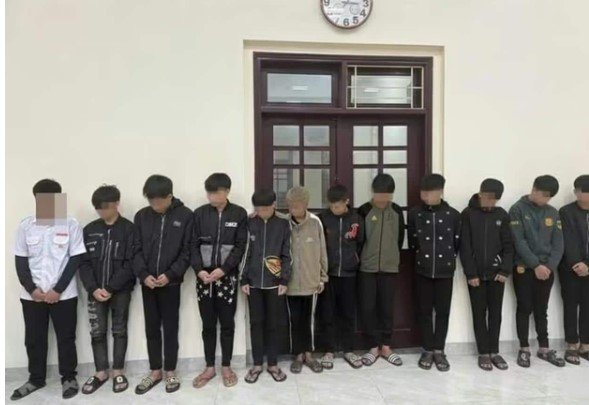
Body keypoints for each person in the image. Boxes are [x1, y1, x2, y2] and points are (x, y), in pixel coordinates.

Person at [11, 179, 86, 400]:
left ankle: (68, 378)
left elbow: (75, 259)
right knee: (34, 339)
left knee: (66, 338)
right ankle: (36, 379)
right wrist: (32, 289)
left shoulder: (70, 224)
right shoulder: (25, 226)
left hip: (64, 295)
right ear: (36, 200)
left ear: (58, 199)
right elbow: (20, 261)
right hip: (32, 296)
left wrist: (58, 290)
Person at [133, 175, 193, 394]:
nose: (154, 205)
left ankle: (170, 371)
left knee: (170, 327)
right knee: (151, 328)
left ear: (169, 196)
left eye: (158, 200)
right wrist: (143, 275)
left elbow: (187, 251)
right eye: (151, 200)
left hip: (171, 283)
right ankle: (155, 371)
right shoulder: (141, 216)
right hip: (148, 283)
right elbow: (135, 249)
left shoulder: (185, 215)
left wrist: (170, 274)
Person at [191, 173, 247, 388]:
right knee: (207, 325)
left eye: (215, 192)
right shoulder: (199, 214)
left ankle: (226, 366)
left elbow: (240, 246)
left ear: (226, 191)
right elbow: (192, 246)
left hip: (227, 278)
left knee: (227, 324)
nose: (211, 196)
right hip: (204, 279)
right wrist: (199, 270)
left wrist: (223, 270)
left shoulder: (239, 213)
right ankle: (209, 367)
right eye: (209, 192)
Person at [79, 185, 135, 394]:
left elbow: (131, 263)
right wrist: (93, 288)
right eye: (97, 208)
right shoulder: (89, 230)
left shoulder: (129, 229)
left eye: (105, 207)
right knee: (97, 332)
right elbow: (83, 262)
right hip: (94, 292)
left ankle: (118, 370)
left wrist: (111, 287)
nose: (101, 211)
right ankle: (101, 371)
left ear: (116, 203)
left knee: (119, 331)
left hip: (120, 291)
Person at [509, 174, 565, 368]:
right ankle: (524, 348)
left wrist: (549, 267)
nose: (544, 199)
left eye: (548, 197)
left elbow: (558, 244)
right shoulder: (517, 209)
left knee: (542, 309)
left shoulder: (553, 212)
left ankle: (544, 348)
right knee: (524, 307)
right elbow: (519, 241)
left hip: (547, 270)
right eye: (542, 194)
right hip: (524, 268)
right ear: (533, 189)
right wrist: (535, 265)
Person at [408, 173, 461, 372]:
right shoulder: (415, 213)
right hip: (422, 269)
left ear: (440, 192)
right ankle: (427, 349)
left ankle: (439, 349)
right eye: (423, 192)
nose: (425, 196)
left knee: (442, 312)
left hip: (445, 271)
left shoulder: (453, 215)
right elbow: (413, 241)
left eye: (429, 192)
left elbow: (457, 243)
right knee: (423, 311)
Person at [460, 179, 513, 371]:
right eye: (487, 197)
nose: (490, 202)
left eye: (494, 199)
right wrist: (471, 273)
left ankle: (494, 351)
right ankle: (483, 352)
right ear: (480, 193)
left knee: (495, 314)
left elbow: (509, 246)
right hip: (475, 276)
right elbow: (465, 247)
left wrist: (505, 270)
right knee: (479, 313)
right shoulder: (468, 214)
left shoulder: (502, 215)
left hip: (497, 275)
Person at [240, 189, 291, 383]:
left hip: (274, 284)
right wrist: (244, 279)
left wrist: (284, 280)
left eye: (265, 209)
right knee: (256, 323)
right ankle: (256, 364)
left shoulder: (283, 224)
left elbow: (287, 254)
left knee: (273, 324)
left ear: (274, 205)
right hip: (253, 283)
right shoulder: (249, 222)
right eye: (258, 209)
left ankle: (273, 364)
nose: (261, 212)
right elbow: (245, 252)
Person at [357, 174, 405, 367]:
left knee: (387, 308)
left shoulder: (397, 211)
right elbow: (359, 239)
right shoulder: (364, 210)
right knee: (368, 308)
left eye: (386, 196)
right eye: (379, 195)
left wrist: (392, 257)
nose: (382, 200)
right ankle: (372, 346)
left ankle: (386, 346)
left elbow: (399, 238)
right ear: (373, 192)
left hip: (390, 267)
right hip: (367, 268)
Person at [317, 184, 365, 369]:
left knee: (348, 313)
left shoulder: (356, 219)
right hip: (328, 274)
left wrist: (354, 260)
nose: (334, 209)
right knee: (327, 313)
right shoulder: (323, 219)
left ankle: (348, 349)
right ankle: (328, 350)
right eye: (331, 205)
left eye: (337, 205)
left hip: (349, 274)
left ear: (347, 201)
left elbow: (360, 243)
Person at [285, 186, 328, 374]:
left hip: (312, 283)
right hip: (291, 283)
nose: (292, 209)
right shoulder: (284, 223)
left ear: (305, 205)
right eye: (290, 206)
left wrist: (322, 277)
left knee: (309, 320)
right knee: (294, 320)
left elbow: (322, 252)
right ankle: (297, 355)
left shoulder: (315, 223)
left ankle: (309, 355)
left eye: (296, 206)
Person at [558, 174, 589, 365]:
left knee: (588, 306)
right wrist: (578, 264)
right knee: (570, 305)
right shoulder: (566, 212)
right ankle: (571, 344)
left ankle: (585, 345)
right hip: (570, 268)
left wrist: (588, 265)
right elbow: (567, 241)